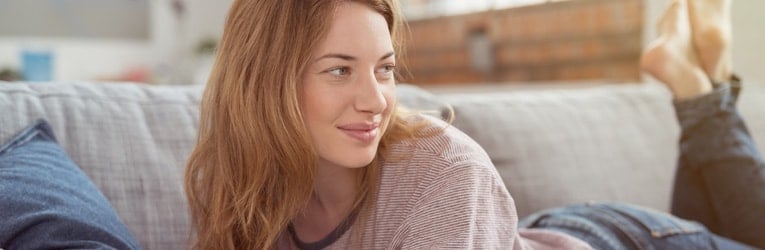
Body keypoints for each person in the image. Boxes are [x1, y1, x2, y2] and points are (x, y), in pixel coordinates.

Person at [184, 0, 765, 249]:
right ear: (267, 82)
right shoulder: (238, 190)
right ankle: (702, 89)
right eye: (339, 71)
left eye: (384, 69)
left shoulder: (440, 169)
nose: (375, 100)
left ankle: (701, 94)